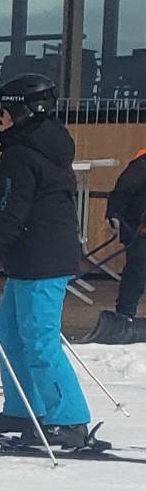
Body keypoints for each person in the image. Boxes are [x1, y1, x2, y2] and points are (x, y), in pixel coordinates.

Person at [0, 73, 94, 451]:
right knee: (11, 337)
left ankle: (69, 419)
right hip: (29, 260)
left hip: (42, 262)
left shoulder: (22, 156)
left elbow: (10, 219)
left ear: (27, 112)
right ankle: (23, 410)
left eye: (6, 111)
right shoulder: (39, 148)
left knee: (40, 341)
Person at [91, 144, 146, 342]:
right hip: (138, 229)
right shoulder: (142, 164)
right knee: (138, 272)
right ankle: (124, 316)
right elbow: (121, 191)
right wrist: (113, 214)